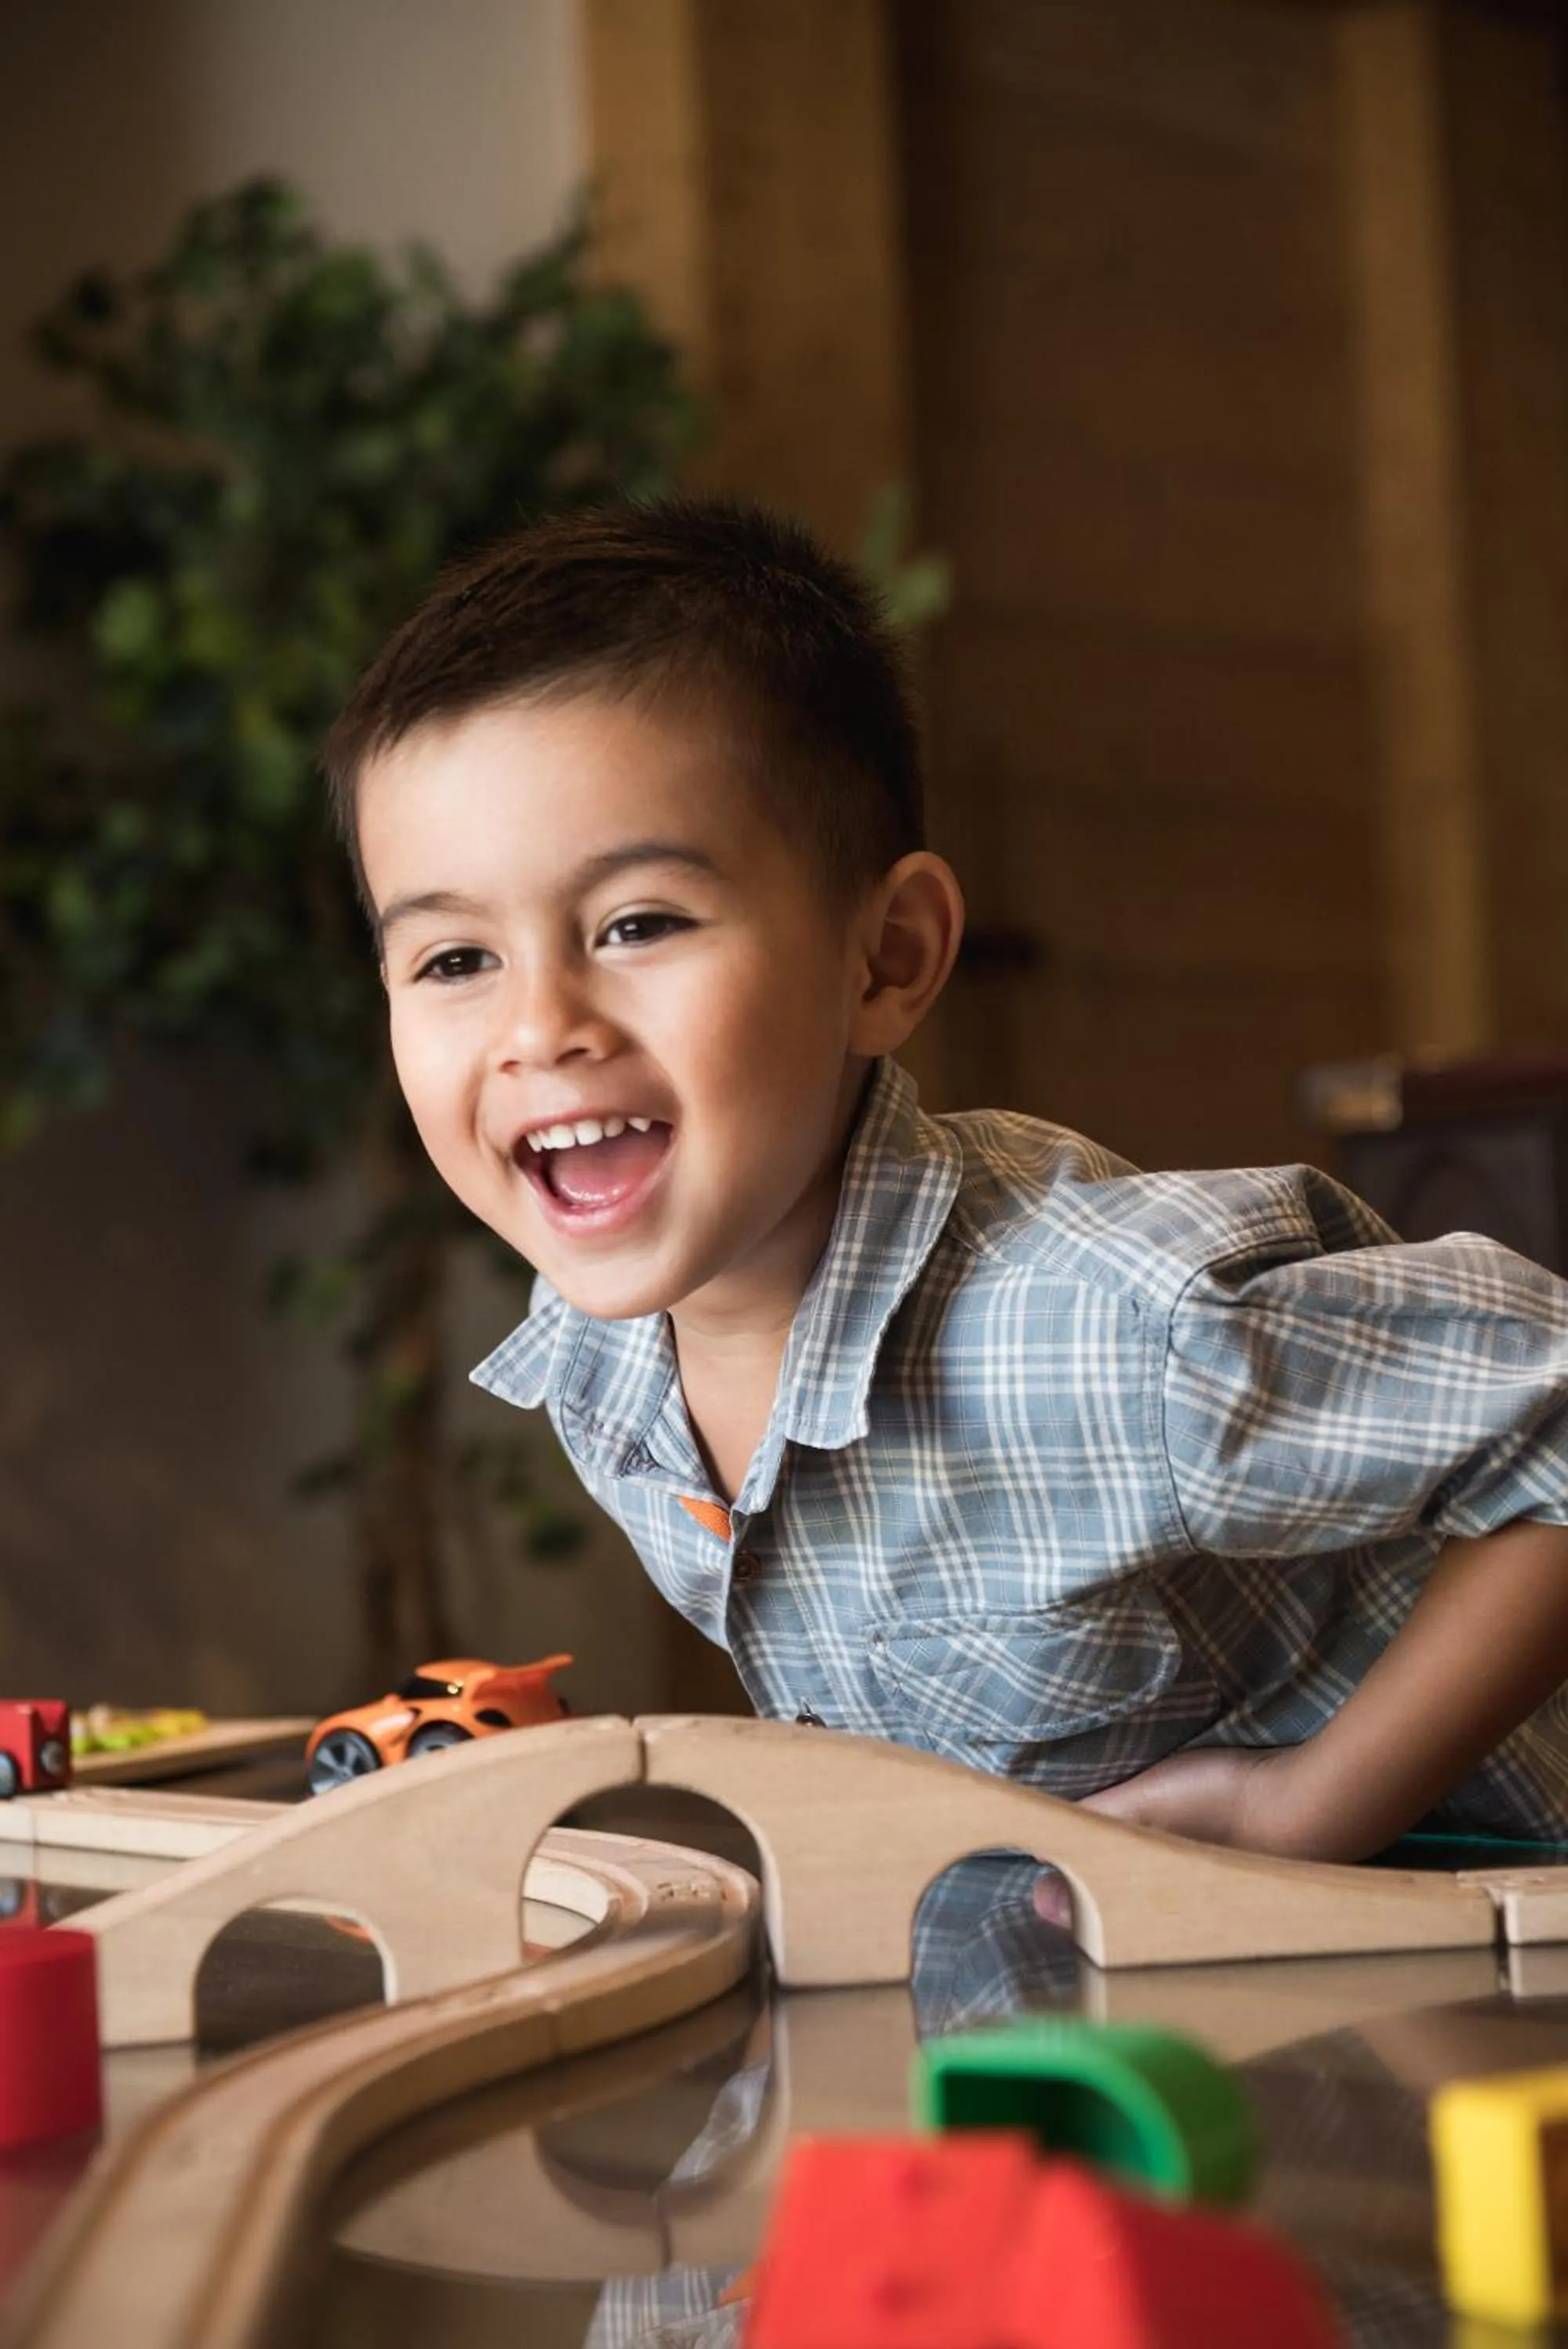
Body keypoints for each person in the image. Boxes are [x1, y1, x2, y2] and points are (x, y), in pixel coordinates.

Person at [325, 496, 1568, 1864]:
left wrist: (1312, 1803)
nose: (540, 1027)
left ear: (889, 958)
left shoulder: (1112, 1321)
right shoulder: (604, 1375)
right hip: (1131, 1997)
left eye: (638, 924)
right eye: (455, 960)